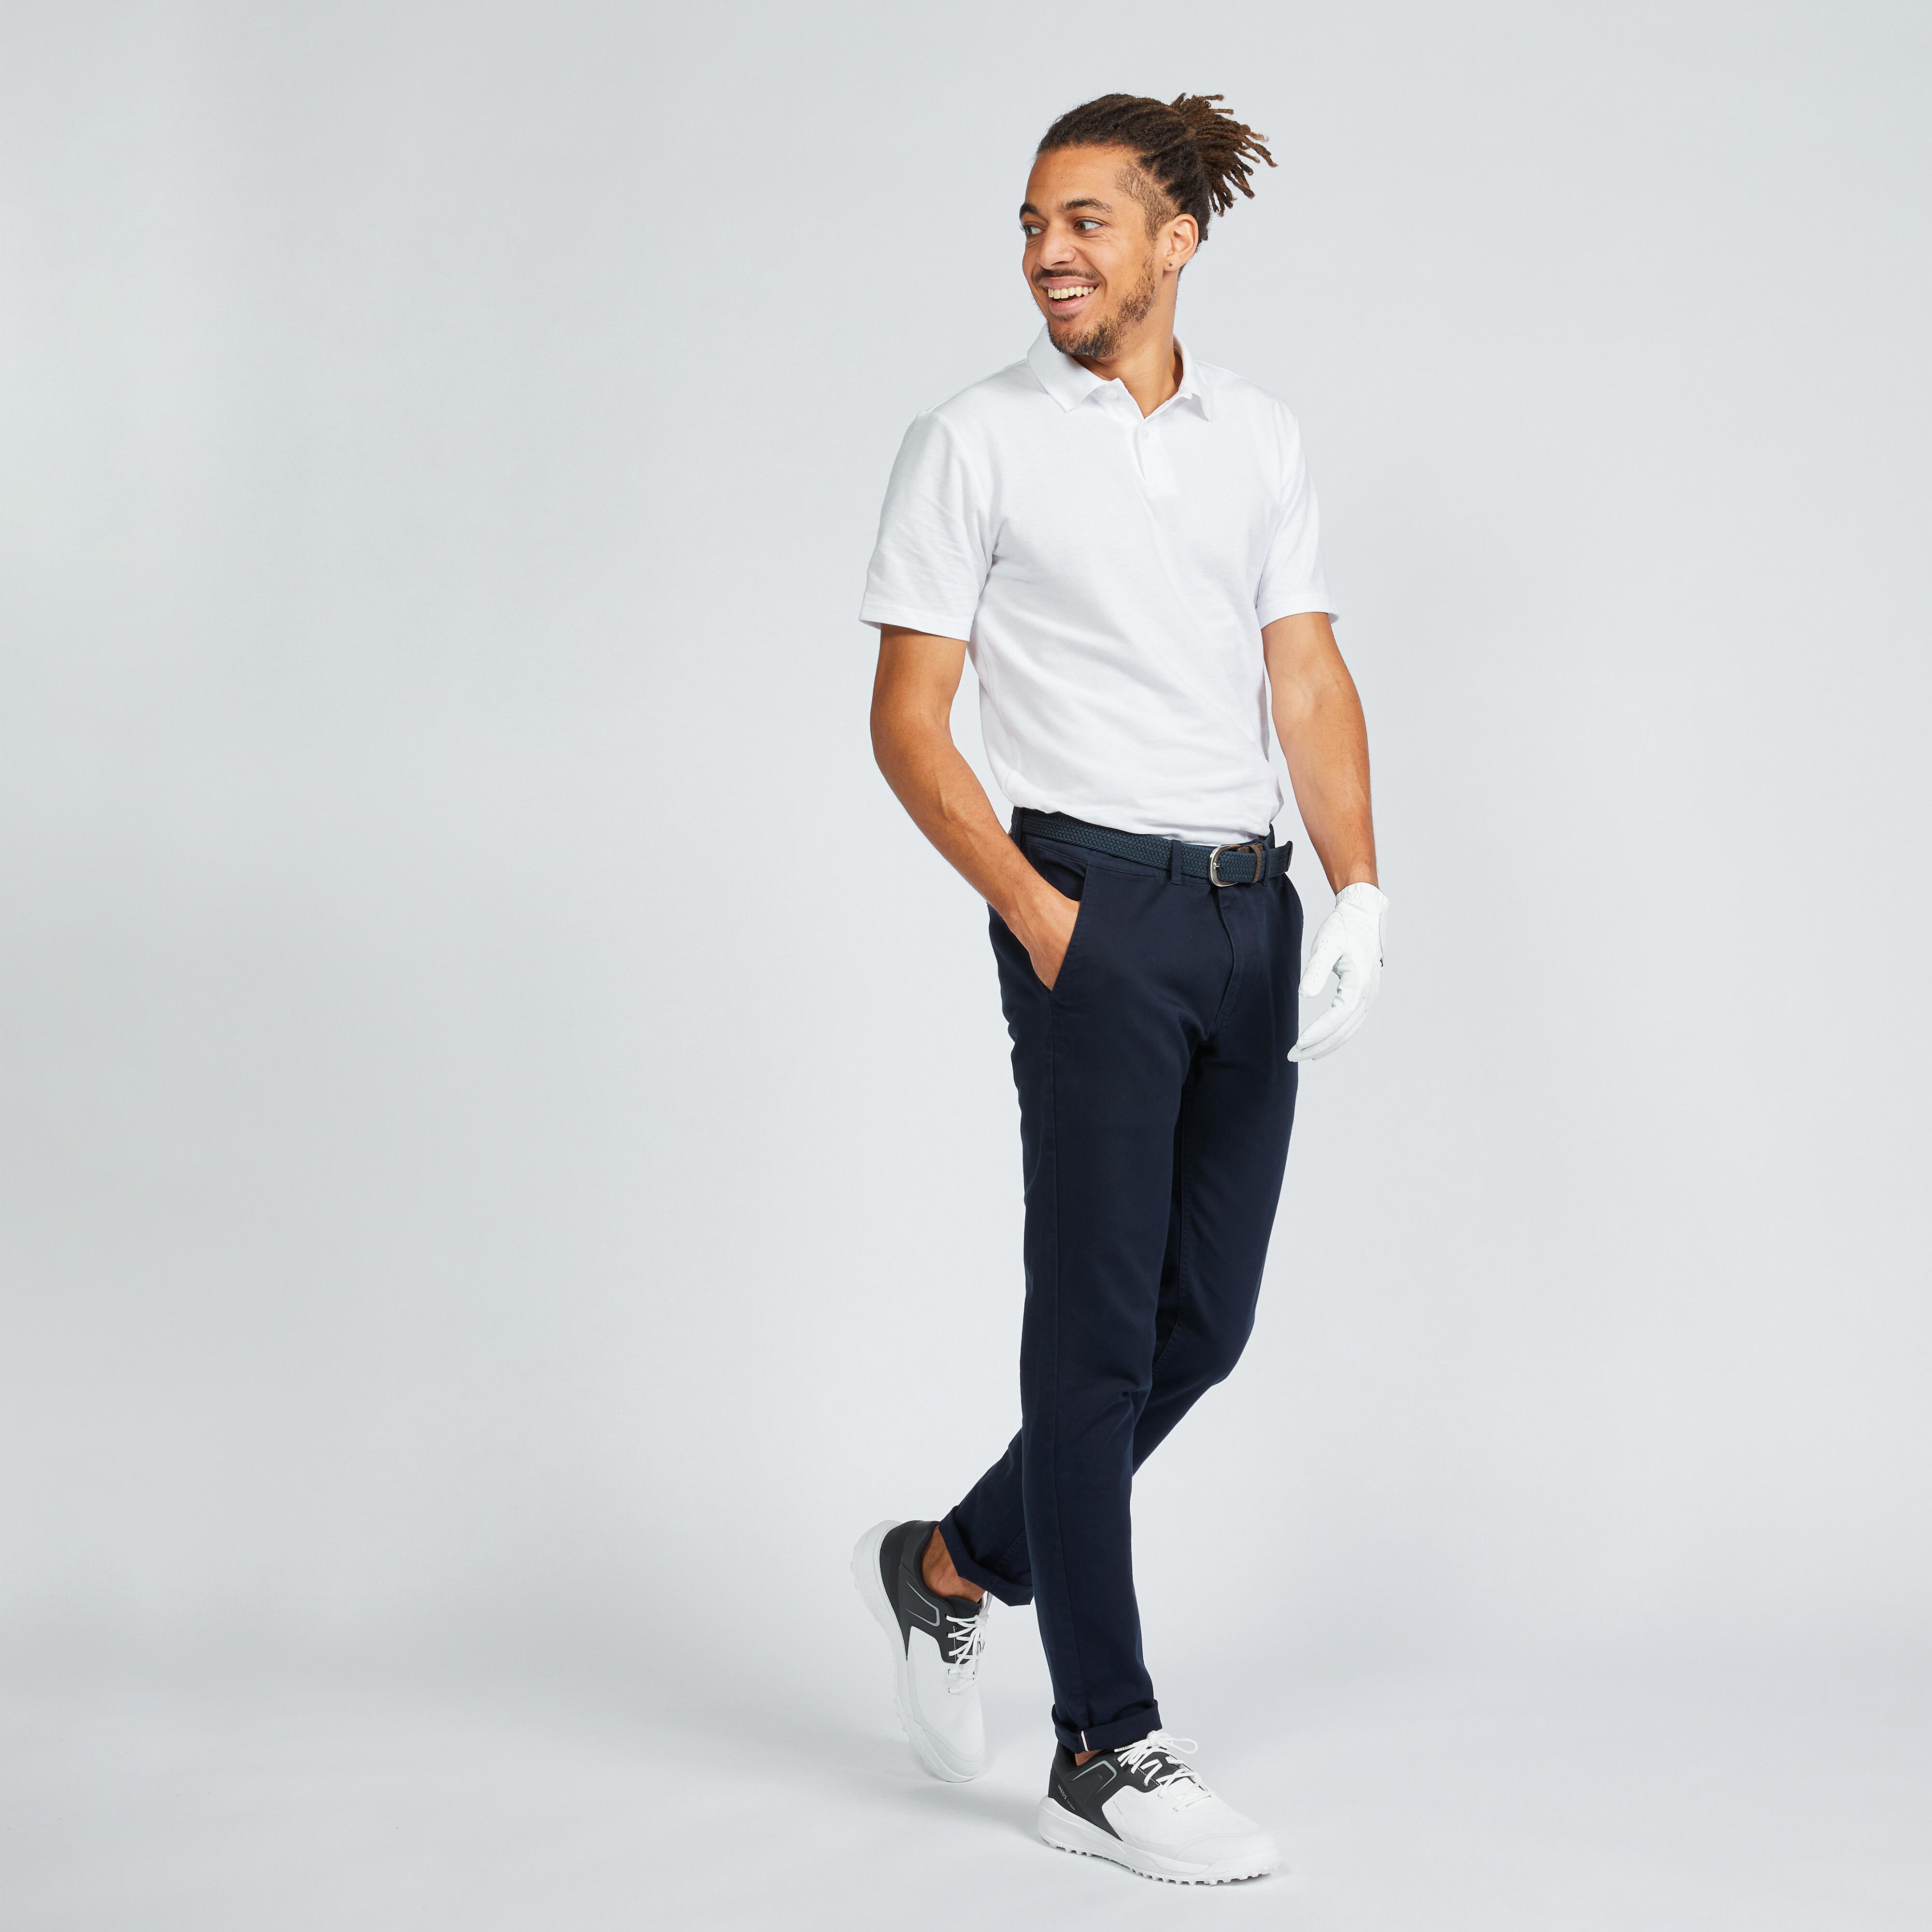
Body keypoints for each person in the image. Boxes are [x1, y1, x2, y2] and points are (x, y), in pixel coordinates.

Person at [850, 91, 1386, 1886]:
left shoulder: (1259, 436)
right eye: (1029, 222)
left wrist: (1359, 885)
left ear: (1179, 241)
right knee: (1088, 1333)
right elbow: (907, 723)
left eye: (1087, 221)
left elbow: (1302, 671)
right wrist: (1036, 911)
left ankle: (946, 1568)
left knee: (1202, 1329)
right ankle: (1106, 1743)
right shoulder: (974, 440)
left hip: (1254, 909)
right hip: (1090, 905)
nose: (1048, 253)